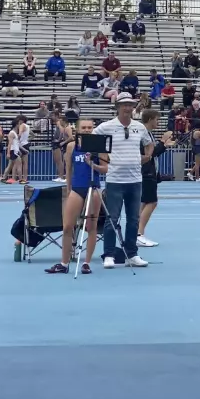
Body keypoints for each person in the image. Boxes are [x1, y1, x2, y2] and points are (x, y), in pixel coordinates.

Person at [92, 93, 153, 269]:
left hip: (135, 180)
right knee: (113, 218)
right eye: (124, 105)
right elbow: (90, 141)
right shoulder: (106, 126)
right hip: (115, 180)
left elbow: (149, 143)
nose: (127, 108)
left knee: (134, 219)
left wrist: (147, 156)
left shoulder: (139, 127)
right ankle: (109, 254)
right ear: (118, 106)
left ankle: (132, 254)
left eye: (130, 104)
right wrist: (103, 158)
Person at [46, 119, 107, 274]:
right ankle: (64, 263)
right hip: (77, 189)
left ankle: (86, 263)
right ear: (78, 129)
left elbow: (106, 169)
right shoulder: (72, 146)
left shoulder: (99, 146)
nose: (87, 130)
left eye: (89, 127)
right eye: (84, 127)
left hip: (93, 189)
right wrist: (68, 190)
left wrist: (92, 164)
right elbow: (69, 170)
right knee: (67, 226)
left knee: (91, 227)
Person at [138, 109, 175, 248]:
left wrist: (164, 145)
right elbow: (150, 154)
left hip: (149, 171)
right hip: (146, 172)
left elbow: (153, 153)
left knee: (143, 203)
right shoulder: (144, 134)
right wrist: (163, 142)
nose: (158, 122)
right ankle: (139, 234)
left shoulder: (147, 134)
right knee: (152, 202)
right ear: (150, 119)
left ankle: (136, 233)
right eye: (157, 119)